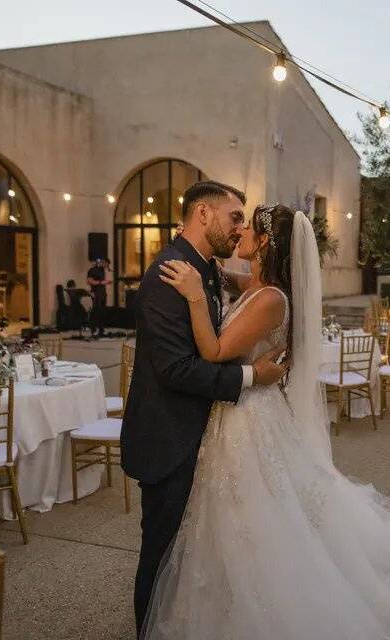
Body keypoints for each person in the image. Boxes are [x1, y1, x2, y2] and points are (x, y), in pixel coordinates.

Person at [142, 204, 390, 639]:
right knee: (231, 523)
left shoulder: (270, 299)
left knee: (249, 523)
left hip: (248, 420)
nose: (241, 231)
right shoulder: (257, 286)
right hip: (239, 412)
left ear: (266, 242)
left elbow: (214, 352)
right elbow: (231, 280)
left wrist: (196, 294)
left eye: (249, 225)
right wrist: (203, 259)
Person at [119, 181, 288, 637]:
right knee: (161, 553)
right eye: (235, 217)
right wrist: (254, 376)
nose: (240, 228)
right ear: (203, 214)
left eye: (246, 223)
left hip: (208, 436)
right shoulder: (167, 277)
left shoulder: (207, 269)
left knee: (195, 553)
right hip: (169, 438)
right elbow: (177, 370)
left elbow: (257, 293)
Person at [86, 258, 111, 337]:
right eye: (106, 264)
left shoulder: (102, 270)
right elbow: (89, 281)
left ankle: (101, 329)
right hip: (96, 293)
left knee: (102, 311)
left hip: (103, 293)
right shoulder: (92, 270)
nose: (106, 266)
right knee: (96, 310)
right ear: (103, 262)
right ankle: (93, 328)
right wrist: (101, 282)